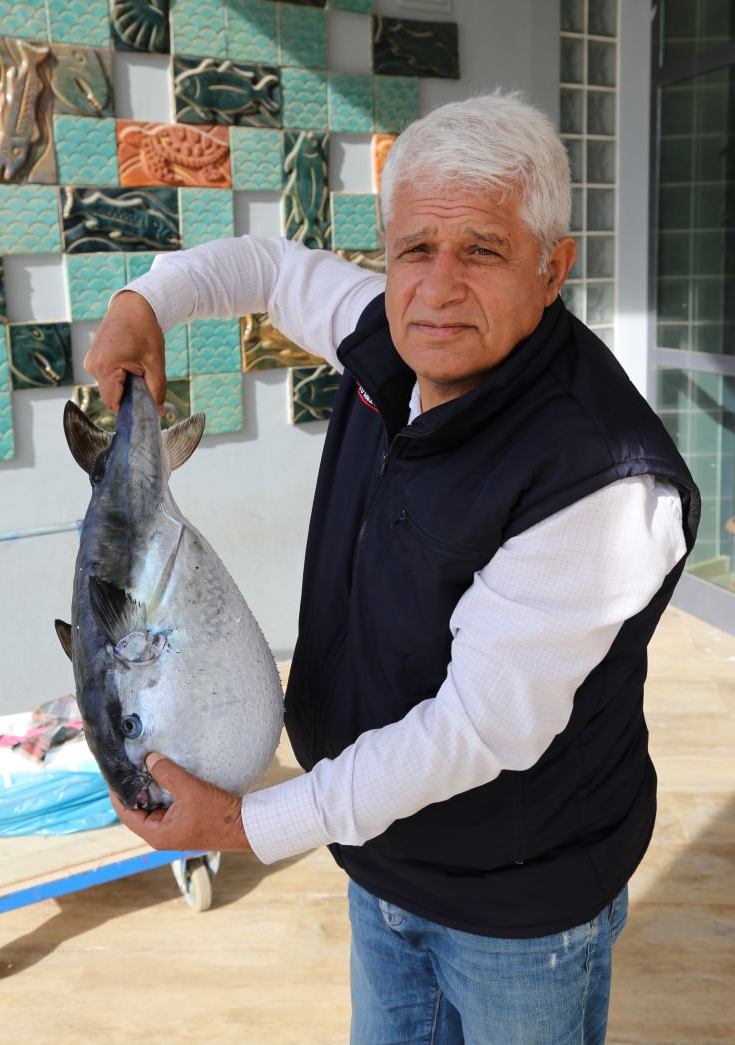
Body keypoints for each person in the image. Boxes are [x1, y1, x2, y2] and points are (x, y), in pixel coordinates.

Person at [84, 91, 700, 1044]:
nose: (439, 285)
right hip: (377, 856)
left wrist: (253, 827)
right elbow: (263, 263)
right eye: (416, 248)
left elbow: (474, 729)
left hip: (520, 903)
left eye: (483, 249)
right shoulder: (393, 338)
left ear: (553, 267)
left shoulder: (602, 480)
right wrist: (143, 305)